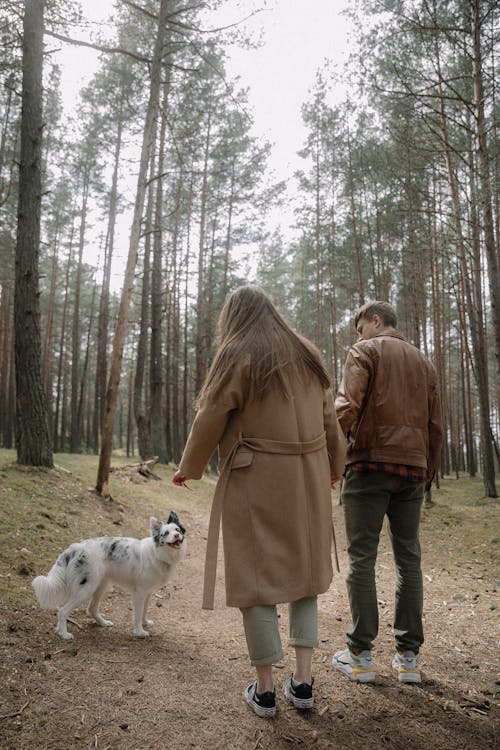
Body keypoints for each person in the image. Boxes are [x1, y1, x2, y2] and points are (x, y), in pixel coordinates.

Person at [173, 285, 346, 717]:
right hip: (307, 475)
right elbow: (329, 417)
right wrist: (335, 466)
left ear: (234, 316)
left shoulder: (238, 351)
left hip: (256, 478)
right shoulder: (307, 350)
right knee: (305, 573)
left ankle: (265, 689)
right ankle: (303, 684)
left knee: (256, 576)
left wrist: (189, 467)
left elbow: (211, 412)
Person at [332, 301, 442, 684]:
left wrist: (331, 458)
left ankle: (360, 655)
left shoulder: (365, 350)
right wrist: (426, 473)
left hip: (368, 464)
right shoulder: (424, 363)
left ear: (375, 321)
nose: (357, 335)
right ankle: (408, 658)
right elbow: (435, 424)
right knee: (408, 558)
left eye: (360, 326)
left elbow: (347, 406)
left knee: (362, 556)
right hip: (412, 468)